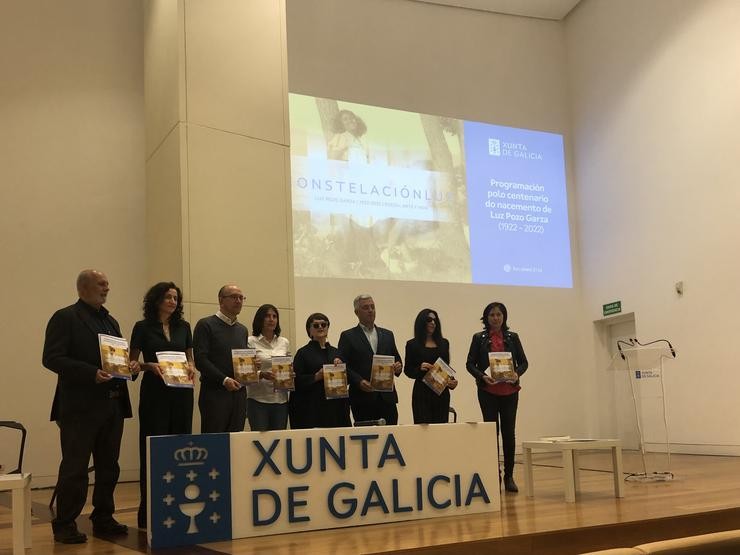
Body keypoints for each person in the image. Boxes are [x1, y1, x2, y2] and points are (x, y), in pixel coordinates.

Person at [42, 269, 140, 544]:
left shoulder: (111, 322)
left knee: (109, 466)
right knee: (75, 467)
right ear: (83, 288)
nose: (107, 288)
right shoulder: (66, 318)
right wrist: (90, 372)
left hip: (113, 405)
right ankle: (64, 523)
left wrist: (130, 367)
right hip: (79, 407)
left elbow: (117, 360)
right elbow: (51, 358)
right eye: (101, 284)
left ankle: (103, 517)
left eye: (108, 284)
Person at [129, 282, 195, 529]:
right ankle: (148, 511)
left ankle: (178, 505)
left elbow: (190, 359)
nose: (172, 301)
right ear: (156, 300)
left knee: (180, 446)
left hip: (181, 394)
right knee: (153, 448)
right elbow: (131, 363)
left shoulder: (184, 327)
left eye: (175, 298)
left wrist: (191, 368)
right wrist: (149, 366)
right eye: (167, 297)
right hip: (155, 393)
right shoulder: (142, 327)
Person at [466, 302, 528, 493]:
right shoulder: (478, 338)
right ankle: (494, 474)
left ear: (504, 317)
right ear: (486, 318)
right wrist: (482, 376)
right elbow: (470, 364)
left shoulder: (513, 337)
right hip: (488, 393)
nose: (495, 318)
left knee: (509, 434)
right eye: (492, 315)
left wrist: (517, 373)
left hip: (509, 392)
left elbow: (524, 363)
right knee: (492, 434)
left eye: (499, 314)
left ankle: (509, 476)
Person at [338, 295, 402, 425]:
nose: (370, 310)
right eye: (366, 307)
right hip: (362, 398)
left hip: (387, 399)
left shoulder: (387, 334)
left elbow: (397, 359)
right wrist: (358, 381)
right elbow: (342, 366)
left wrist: (398, 366)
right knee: (366, 440)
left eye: (372, 307)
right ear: (357, 312)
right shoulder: (348, 336)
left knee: (391, 437)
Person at [193, 284, 248, 433]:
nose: (238, 301)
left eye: (241, 297)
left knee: (236, 443)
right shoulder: (205, 325)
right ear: (221, 300)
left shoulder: (242, 330)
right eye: (233, 297)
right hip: (215, 394)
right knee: (215, 444)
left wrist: (253, 366)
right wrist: (224, 380)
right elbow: (200, 360)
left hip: (239, 395)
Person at [289, 313, 350, 429]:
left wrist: (342, 370)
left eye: (323, 324)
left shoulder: (337, 352)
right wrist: (316, 376)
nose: (320, 327)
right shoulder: (302, 353)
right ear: (309, 331)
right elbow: (295, 381)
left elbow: (347, 380)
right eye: (316, 325)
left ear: (327, 328)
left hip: (335, 409)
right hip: (312, 409)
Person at [403, 309, 458, 424]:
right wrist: (419, 368)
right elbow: (408, 370)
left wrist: (452, 382)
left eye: (435, 320)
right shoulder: (412, 344)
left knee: (440, 431)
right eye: (429, 320)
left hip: (441, 394)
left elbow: (445, 368)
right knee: (423, 431)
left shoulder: (444, 343)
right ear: (421, 322)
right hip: (421, 394)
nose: (433, 323)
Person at [246, 304, 291, 431]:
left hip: (281, 400)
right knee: (260, 442)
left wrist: (290, 375)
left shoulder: (284, 342)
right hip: (258, 399)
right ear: (260, 319)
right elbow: (245, 370)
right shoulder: (250, 341)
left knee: (279, 442)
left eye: (274, 316)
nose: (271, 319)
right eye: (267, 316)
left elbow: (288, 365)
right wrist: (261, 374)